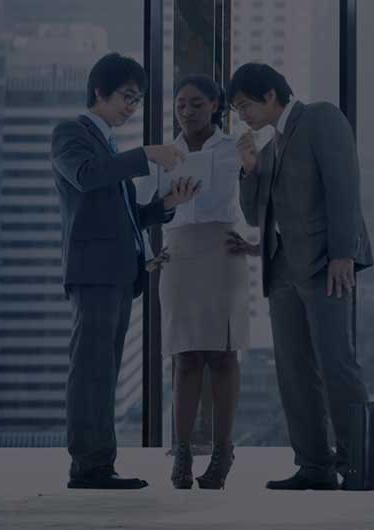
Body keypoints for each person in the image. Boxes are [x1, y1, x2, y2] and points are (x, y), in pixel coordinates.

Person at [53, 52, 197, 490]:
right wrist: (145, 155)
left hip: (115, 272)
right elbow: (85, 175)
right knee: (92, 370)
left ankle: (99, 463)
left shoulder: (108, 144)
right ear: (100, 91)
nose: (131, 108)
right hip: (94, 272)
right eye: (126, 98)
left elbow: (121, 213)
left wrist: (164, 207)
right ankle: (89, 466)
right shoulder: (71, 133)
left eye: (137, 101)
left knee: (104, 370)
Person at [228, 62, 374, 490]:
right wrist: (249, 169)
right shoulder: (271, 148)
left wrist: (343, 254)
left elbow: (343, 185)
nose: (243, 117)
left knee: (337, 364)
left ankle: (359, 463)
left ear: (270, 95)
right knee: (293, 370)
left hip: (325, 265)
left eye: (244, 106)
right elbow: (257, 214)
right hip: (284, 270)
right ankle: (314, 466)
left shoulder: (321, 119)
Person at [154, 74, 247, 490]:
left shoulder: (234, 148)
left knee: (223, 354)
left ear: (214, 105)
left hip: (223, 248)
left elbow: (260, 197)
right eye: (180, 104)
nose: (186, 111)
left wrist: (255, 242)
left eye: (195, 103)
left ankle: (224, 451)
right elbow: (145, 204)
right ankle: (183, 451)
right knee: (185, 353)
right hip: (177, 250)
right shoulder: (165, 152)